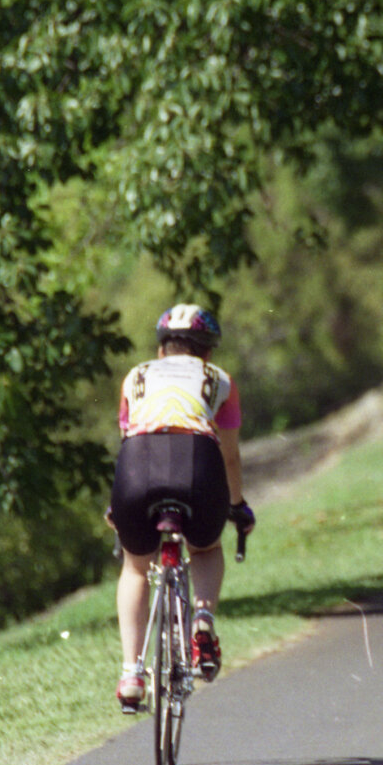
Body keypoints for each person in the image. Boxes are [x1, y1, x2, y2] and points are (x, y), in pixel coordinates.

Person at [107, 304, 254, 712]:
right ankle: (203, 619)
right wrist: (238, 507)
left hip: (137, 468)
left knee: (137, 566)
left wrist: (114, 505)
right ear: (207, 353)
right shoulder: (219, 379)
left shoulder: (135, 376)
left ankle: (132, 673)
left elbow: (128, 442)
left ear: (160, 351)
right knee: (205, 548)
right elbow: (230, 457)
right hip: (198, 462)